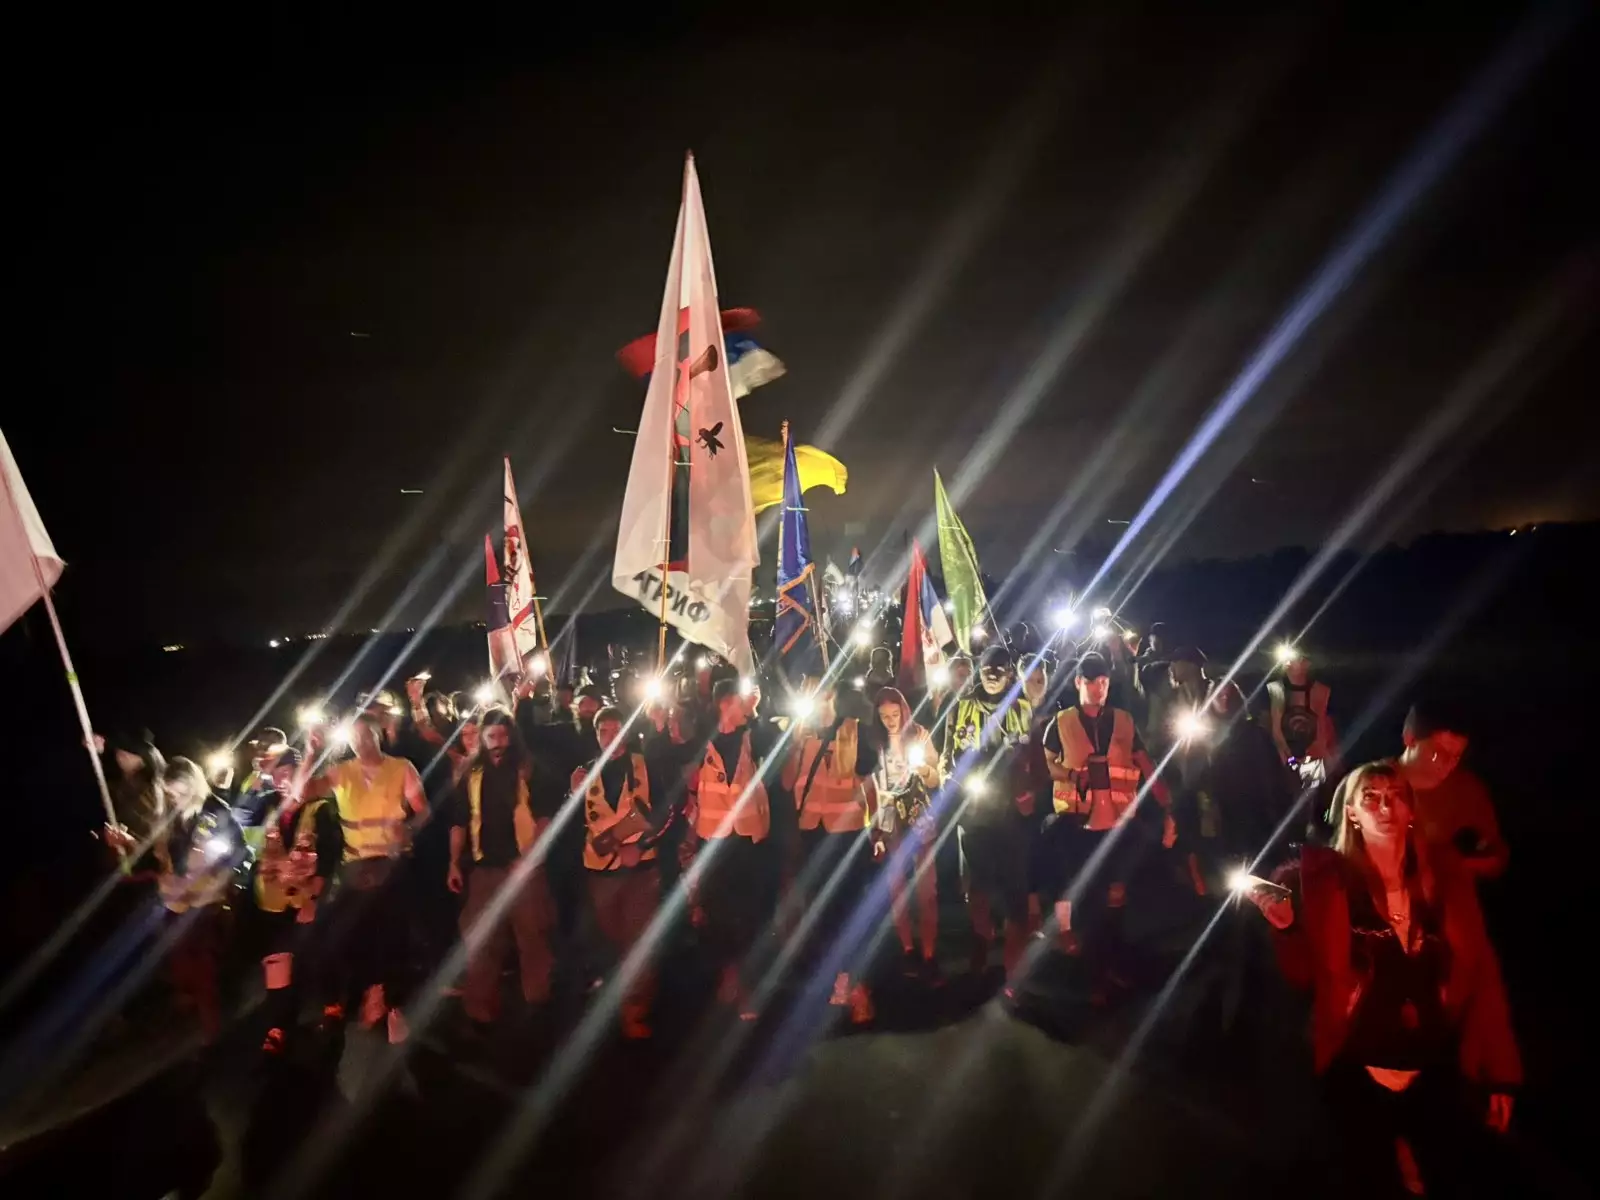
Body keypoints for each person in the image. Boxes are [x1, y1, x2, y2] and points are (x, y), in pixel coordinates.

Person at [1244, 761, 1520, 1195]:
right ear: (1352, 813)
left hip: (1435, 1063)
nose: (1385, 807)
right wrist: (1288, 929)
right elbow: (1306, 979)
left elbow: (1480, 970)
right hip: (1358, 1067)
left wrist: (1500, 1071)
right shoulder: (1322, 883)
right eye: (1370, 798)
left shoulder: (1443, 879)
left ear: (1411, 810)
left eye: (1395, 797)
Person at [1042, 653, 1175, 991]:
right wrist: (1072, 775)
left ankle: (1111, 964)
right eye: (1091, 682)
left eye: (1103, 682)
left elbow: (1146, 764)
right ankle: (1088, 970)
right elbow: (1048, 764)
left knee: (1116, 895)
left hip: (1117, 822)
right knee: (1082, 895)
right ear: (1078, 683)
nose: (1098, 688)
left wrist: (1168, 808)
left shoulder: (1124, 721)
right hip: (1077, 821)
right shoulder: (1061, 722)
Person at [105, 757, 246, 1044]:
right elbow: (162, 859)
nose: (175, 799)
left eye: (181, 793)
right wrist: (128, 843)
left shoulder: (215, 811)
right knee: (184, 972)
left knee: (207, 975)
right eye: (170, 794)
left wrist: (218, 866)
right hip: (177, 906)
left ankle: (217, 1039)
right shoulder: (170, 817)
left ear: (194, 786)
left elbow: (239, 853)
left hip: (206, 906)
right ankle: (204, 1030)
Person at [324, 713, 428, 1044]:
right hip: (356, 866)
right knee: (357, 935)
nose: (361, 742)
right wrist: (312, 752)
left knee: (394, 936)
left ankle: (394, 1006)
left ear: (378, 734)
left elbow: (423, 811)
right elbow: (300, 793)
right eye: (355, 737)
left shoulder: (401, 768)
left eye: (366, 735)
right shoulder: (341, 772)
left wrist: (408, 828)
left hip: (392, 864)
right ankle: (373, 993)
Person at [447, 710, 554, 1032]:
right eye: (491, 736)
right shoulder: (471, 772)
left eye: (503, 736)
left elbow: (545, 818)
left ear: (513, 736)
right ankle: (480, 1010)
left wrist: (530, 858)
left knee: (533, 939)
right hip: (484, 870)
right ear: (482, 738)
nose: (498, 743)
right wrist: (453, 862)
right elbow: (460, 821)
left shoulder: (529, 769)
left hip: (524, 871)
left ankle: (539, 1005)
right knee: (480, 941)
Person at [785, 682, 881, 1022]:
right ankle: (834, 980)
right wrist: (795, 743)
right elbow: (788, 781)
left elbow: (869, 778)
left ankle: (857, 987)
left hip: (847, 835)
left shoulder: (856, 732)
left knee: (849, 910)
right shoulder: (804, 733)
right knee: (822, 914)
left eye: (827, 695)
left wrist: (877, 830)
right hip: (813, 834)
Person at [684, 679, 777, 1016]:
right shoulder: (703, 740)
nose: (742, 707)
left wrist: (756, 711)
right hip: (714, 840)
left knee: (748, 913)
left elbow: (777, 742)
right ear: (723, 703)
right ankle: (728, 978)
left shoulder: (754, 736)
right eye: (737, 701)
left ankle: (745, 981)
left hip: (748, 840)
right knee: (718, 913)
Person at [941, 644, 1034, 976]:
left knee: (1014, 884)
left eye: (999, 670)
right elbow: (948, 752)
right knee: (976, 884)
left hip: (1009, 810)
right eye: (987, 670)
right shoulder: (962, 706)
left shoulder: (1021, 706)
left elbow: (1030, 754)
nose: (992, 676)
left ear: (1009, 673)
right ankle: (982, 939)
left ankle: (1014, 962)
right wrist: (951, 775)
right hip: (974, 808)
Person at [575, 707, 662, 1038]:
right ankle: (615, 1000)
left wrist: (639, 846)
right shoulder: (584, 772)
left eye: (617, 729)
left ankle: (635, 1010)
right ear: (596, 735)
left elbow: (667, 809)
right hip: (601, 871)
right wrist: (571, 793)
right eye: (604, 731)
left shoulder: (646, 765)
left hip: (640, 867)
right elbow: (578, 820)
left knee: (638, 938)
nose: (611, 737)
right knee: (611, 938)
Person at [251, 748, 342, 1054]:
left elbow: (329, 858)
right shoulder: (268, 805)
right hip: (274, 900)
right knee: (277, 960)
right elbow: (243, 820)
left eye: (287, 773)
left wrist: (314, 898)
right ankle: (279, 1025)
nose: (281, 781)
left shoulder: (320, 809)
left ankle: (332, 1007)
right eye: (275, 774)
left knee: (317, 956)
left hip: (307, 898)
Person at [1396, 701, 1507, 880]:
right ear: (1410, 739)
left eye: (1456, 757)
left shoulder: (1467, 789)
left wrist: (1460, 862)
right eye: (1438, 753)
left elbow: (1497, 857)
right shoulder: (1368, 785)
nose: (1448, 764)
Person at [873, 687, 941, 976]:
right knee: (897, 886)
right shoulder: (875, 743)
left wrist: (922, 768)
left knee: (927, 889)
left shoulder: (919, 735)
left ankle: (929, 951)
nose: (891, 721)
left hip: (918, 815)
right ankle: (908, 948)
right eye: (884, 716)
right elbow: (869, 783)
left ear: (904, 711)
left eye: (895, 714)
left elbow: (936, 779)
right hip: (889, 818)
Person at [1267, 647, 1339, 787]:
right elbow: (1275, 729)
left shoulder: (1321, 691)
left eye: (1296, 658)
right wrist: (1290, 759)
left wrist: (1320, 756)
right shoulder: (1275, 690)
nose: (1290, 662)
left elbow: (1322, 727)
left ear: (1307, 663)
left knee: (1313, 793)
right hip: (1282, 759)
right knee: (1287, 792)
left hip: (1314, 758)